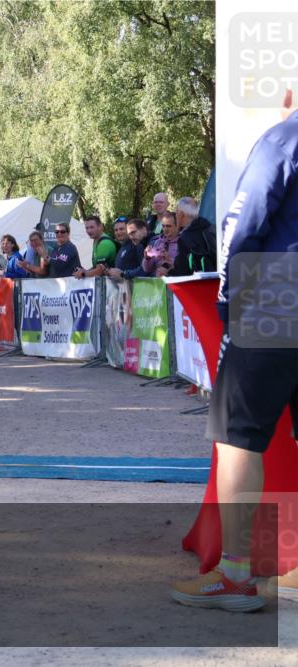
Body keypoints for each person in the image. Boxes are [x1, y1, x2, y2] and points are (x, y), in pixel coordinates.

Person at [171, 92, 298, 612]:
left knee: (237, 437)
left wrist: (229, 295)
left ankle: (238, 575)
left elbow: (242, 223)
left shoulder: (283, 139)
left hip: (275, 292)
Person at [169, 196, 217, 276]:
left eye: (176, 211)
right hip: (218, 280)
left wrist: (169, 272)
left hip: (198, 284)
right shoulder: (211, 228)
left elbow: (182, 272)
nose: (175, 215)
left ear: (182, 214)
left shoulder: (185, 238)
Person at [141, 212, 179, 277]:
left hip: (176, 283)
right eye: (163, 226)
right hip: (158, 284)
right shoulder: (157, 242)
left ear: (177, 226)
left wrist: (168, 261)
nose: (165, 229)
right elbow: (147, 269)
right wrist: (147, 258)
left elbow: (186, 267)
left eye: (168, 226)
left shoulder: (183, 242)